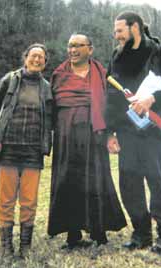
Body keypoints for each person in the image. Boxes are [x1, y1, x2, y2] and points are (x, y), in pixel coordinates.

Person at [105, 12, 161, 258]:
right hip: (126, 130)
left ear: (135, 27)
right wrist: (109, 131)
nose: (116, 35)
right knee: (129, 182)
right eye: (115, 31)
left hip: (154, 129)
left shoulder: (158, 53)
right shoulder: (117, 56)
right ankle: (141, 233)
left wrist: (152, 98)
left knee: (158, 180)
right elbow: (111, 97)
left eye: (119, 31)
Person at [47, 33, 126, 249]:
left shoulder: (102, 73)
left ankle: (98, 231)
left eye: (78, 46)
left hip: (95, 134)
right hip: (66, 136)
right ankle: (73, 234)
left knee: (96, 180)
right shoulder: (59, 74)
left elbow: (111, 105)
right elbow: (50, 107)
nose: (73, 50)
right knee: (68, 180)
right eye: (70, 46)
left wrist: (111, 133)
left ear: (90, 49)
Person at [0, 43, 52, 260]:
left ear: (45, 62)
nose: (37, 60)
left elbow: (53, 117)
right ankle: (6, 246)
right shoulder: (10, 80)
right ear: (25, 58)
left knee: (29, 201)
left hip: (33, 151)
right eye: (34, 56)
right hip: (8, 149)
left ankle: (25, 246)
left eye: (41, 57)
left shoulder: (47, 87)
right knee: (6, 199)